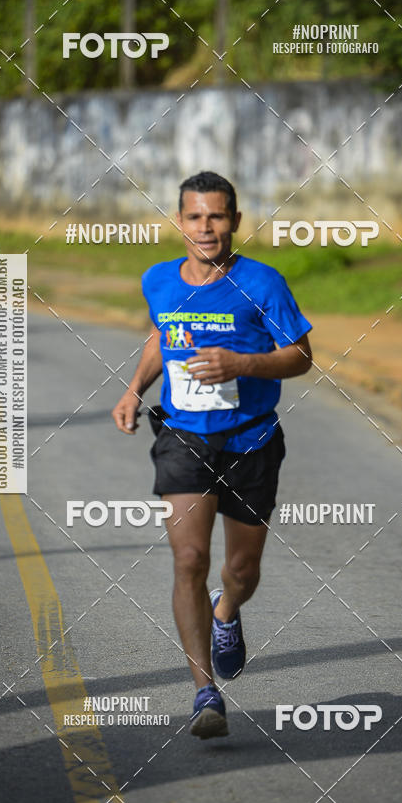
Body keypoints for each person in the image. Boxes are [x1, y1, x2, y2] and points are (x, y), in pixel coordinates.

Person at [112, 172, 312, 739]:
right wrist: (133, 389)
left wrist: (241, 364)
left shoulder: (263, 283)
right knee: (189, 559)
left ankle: (227, 610)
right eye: (196, 217)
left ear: (235, 222)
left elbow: (300, 355)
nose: (206, 227)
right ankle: (205, 693)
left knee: (242, 570)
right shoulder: (158, 280)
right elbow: (161, 336)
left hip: (250, 439)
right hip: (183, 439)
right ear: (180, 222)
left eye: (217, 217)